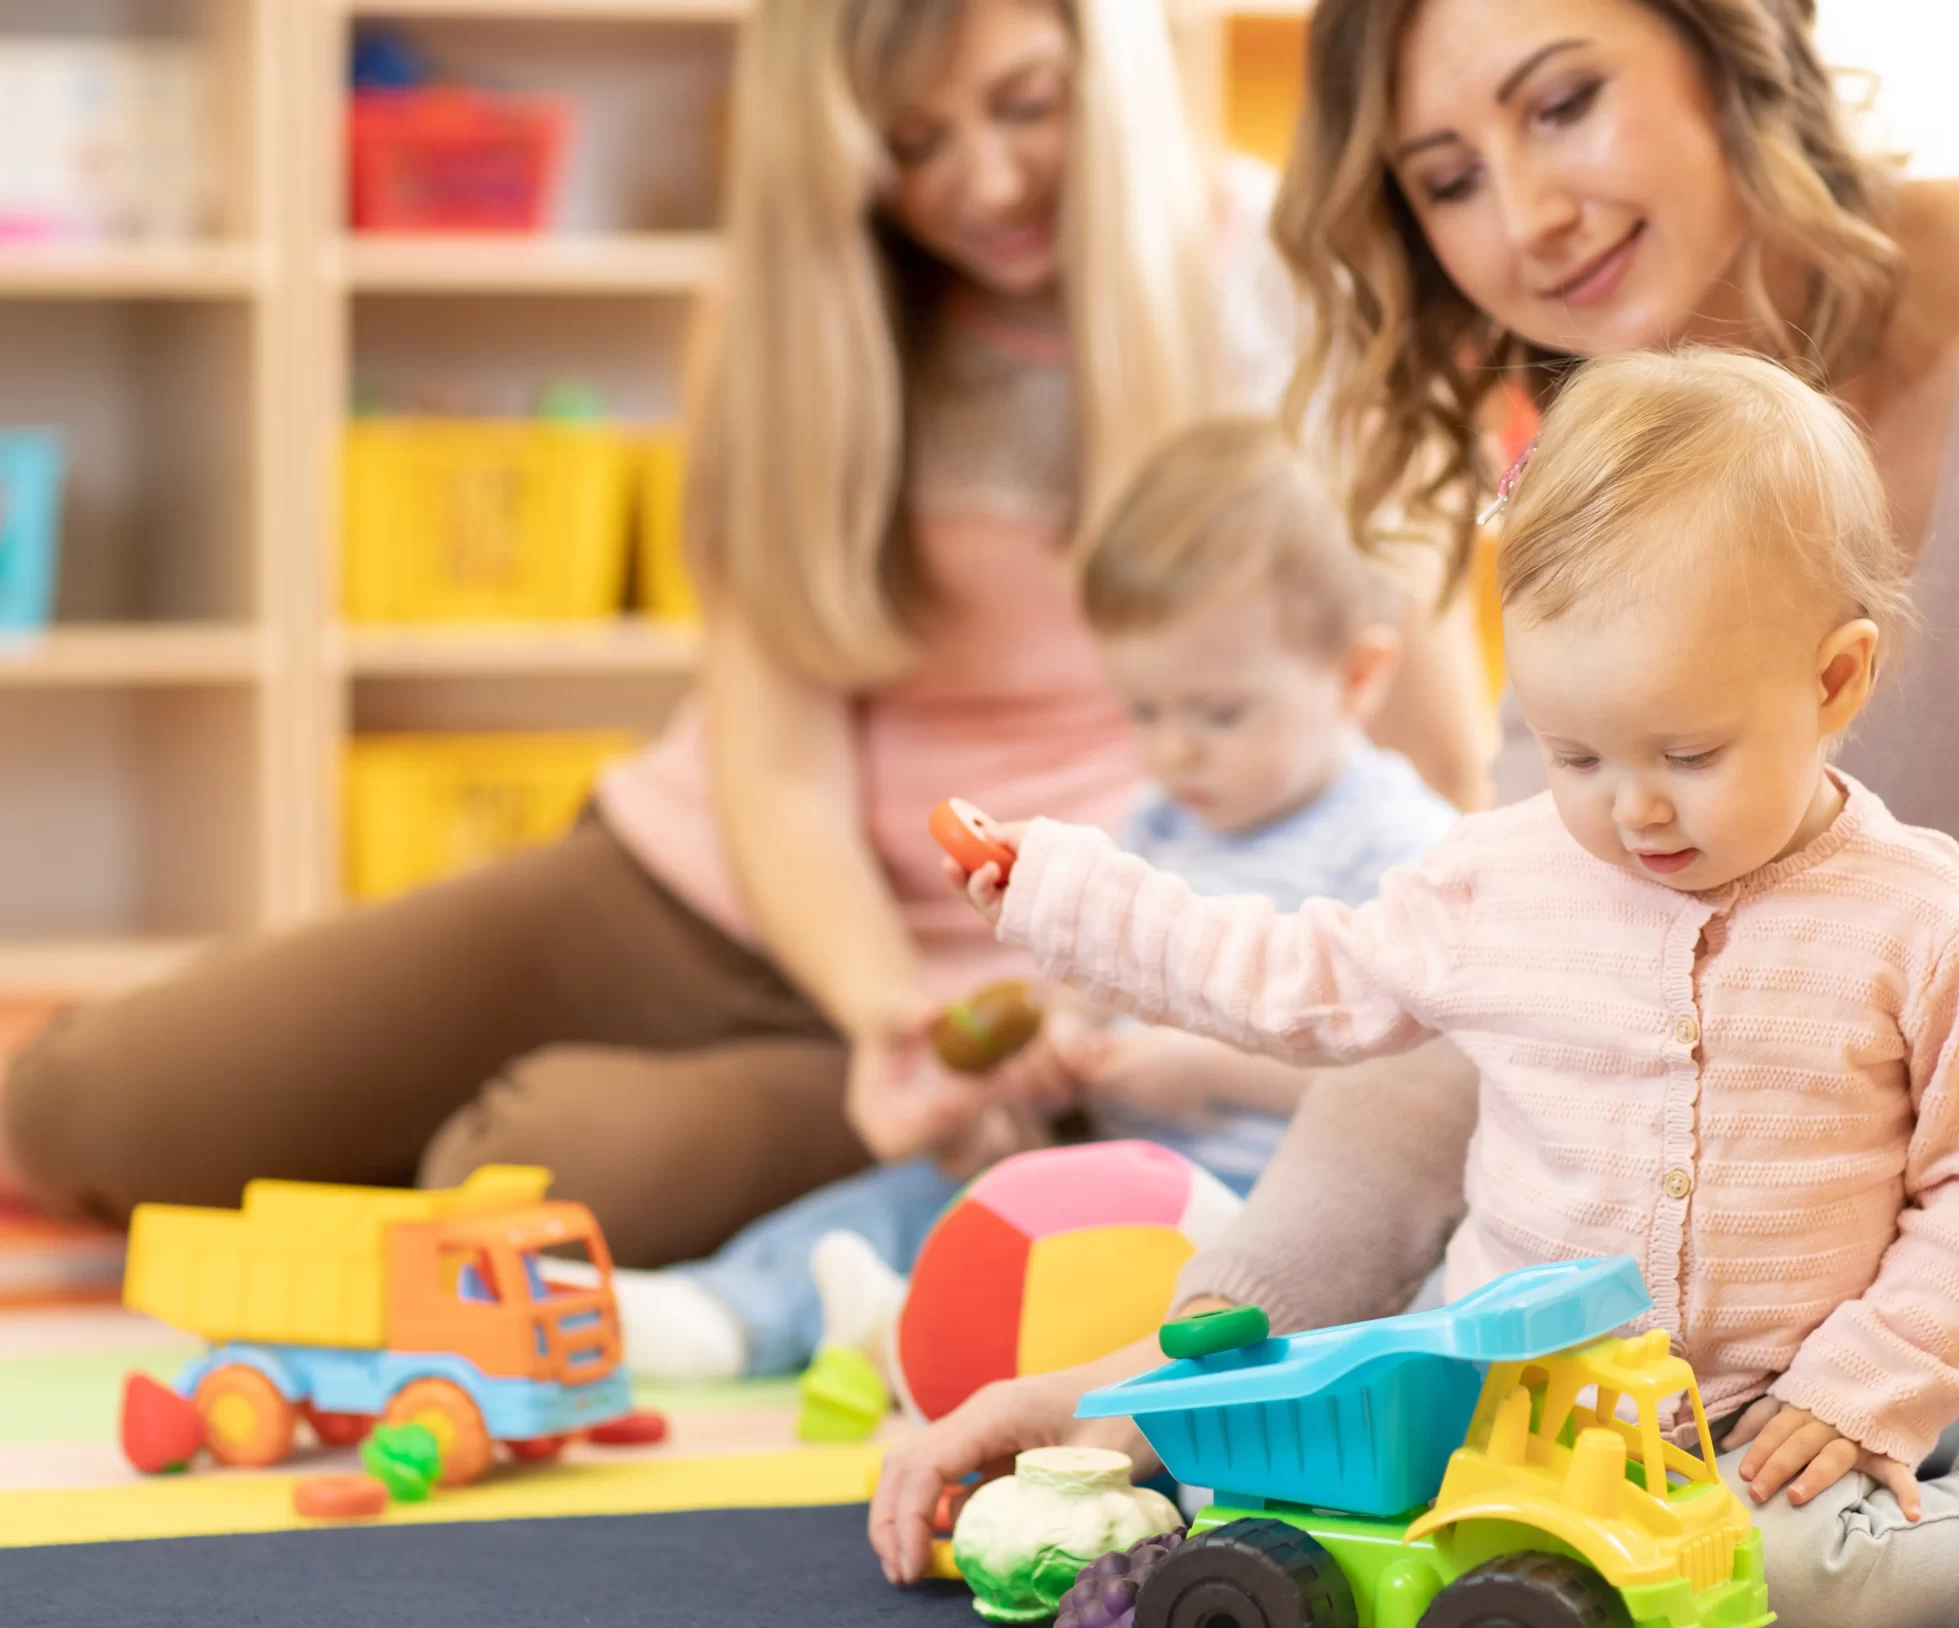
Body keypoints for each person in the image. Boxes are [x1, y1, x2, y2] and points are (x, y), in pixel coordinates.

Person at [876, 0, 1959, 1618]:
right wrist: (1177, 1385)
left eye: (1560, 101)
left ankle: (1920, 1493)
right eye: (1446, 177)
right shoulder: (1612, 523)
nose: (1526, 214)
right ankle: (1910, 1480)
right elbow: (1451, 1044)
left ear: (1726, 36)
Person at [0, 0, 1491, 1269]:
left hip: (1043, 979)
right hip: (718, 894)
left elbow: (1413, 699)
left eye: (1025, 105)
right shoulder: (780, 318)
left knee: (518, 1176)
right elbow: (775, 768)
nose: (982, 177)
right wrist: (872, 1006)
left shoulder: (1280, 278)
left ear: (1101, 69)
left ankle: (747, 1141)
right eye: (909, 143)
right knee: (83, 1109)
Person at [944, 349, 1959, 1628]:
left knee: (1777, 1590)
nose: (1631, 806)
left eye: (1686, 754)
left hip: (1786, 1417)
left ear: (1835, 679)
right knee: (1302, 1514)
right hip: (1519, 1413)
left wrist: (1866, 1386)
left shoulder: (1937, 917)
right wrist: (1062, 891)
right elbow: (1291, 979)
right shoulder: (1498, 880)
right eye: (1576, 750)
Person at [608, 416, 1460, 1381]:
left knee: (1170, 1303)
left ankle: (915, 1337)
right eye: (1142, 711)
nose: (1175, 747)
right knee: (940, 1192)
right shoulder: (1161, 821)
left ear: (1357, 676)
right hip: (1121, 1169)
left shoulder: (1399, 844)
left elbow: (1424, 1079)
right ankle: (732, 1307)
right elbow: (1096, 981)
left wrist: (1209, 1071)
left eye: (1219, 713)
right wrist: (1062, 1042)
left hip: (1287, 1205)